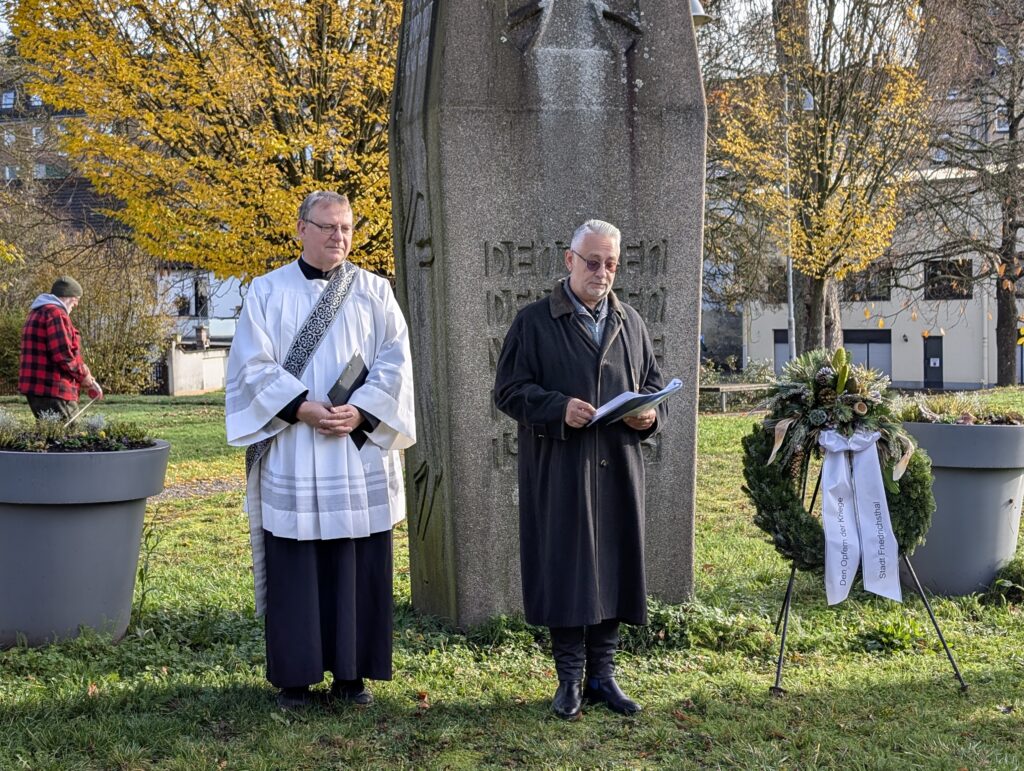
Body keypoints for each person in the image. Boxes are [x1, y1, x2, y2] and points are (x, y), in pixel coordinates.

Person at [226, 191, 415, 709]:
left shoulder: (375, 290)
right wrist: (299, 407)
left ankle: (352, 676)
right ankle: (296, 677)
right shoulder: (266, 291)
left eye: (347, 228)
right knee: (297, 562)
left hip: (356, 450)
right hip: (295, 445)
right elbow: (250, 364)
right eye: (328, 226)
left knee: (356, 559)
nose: (339, 236)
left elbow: (396, 361)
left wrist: (363, 410)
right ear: (301, 229)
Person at [494, 219, 666, 720]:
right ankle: (569, 678)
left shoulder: (631, 321)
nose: (602, 272)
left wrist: (650, 416)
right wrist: (557, 408)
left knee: (614, 564)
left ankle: (603, 676)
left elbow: (653, 385)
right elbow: (508, 391)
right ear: (569, 260)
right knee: (566, 568)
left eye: (611, 264)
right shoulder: (533, 322)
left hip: (617, 466)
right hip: (560, 467)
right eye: (593, 262)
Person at [19, 276, 102, 420]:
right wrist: (83, 376)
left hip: (36, 388)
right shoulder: (56, 314)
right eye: (76, 299)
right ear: (68, 297)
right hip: (53, 388)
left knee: (50, 432)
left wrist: (84, 372)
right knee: (71, 431)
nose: (76, 304)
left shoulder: (36, 313)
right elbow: (63, 354)